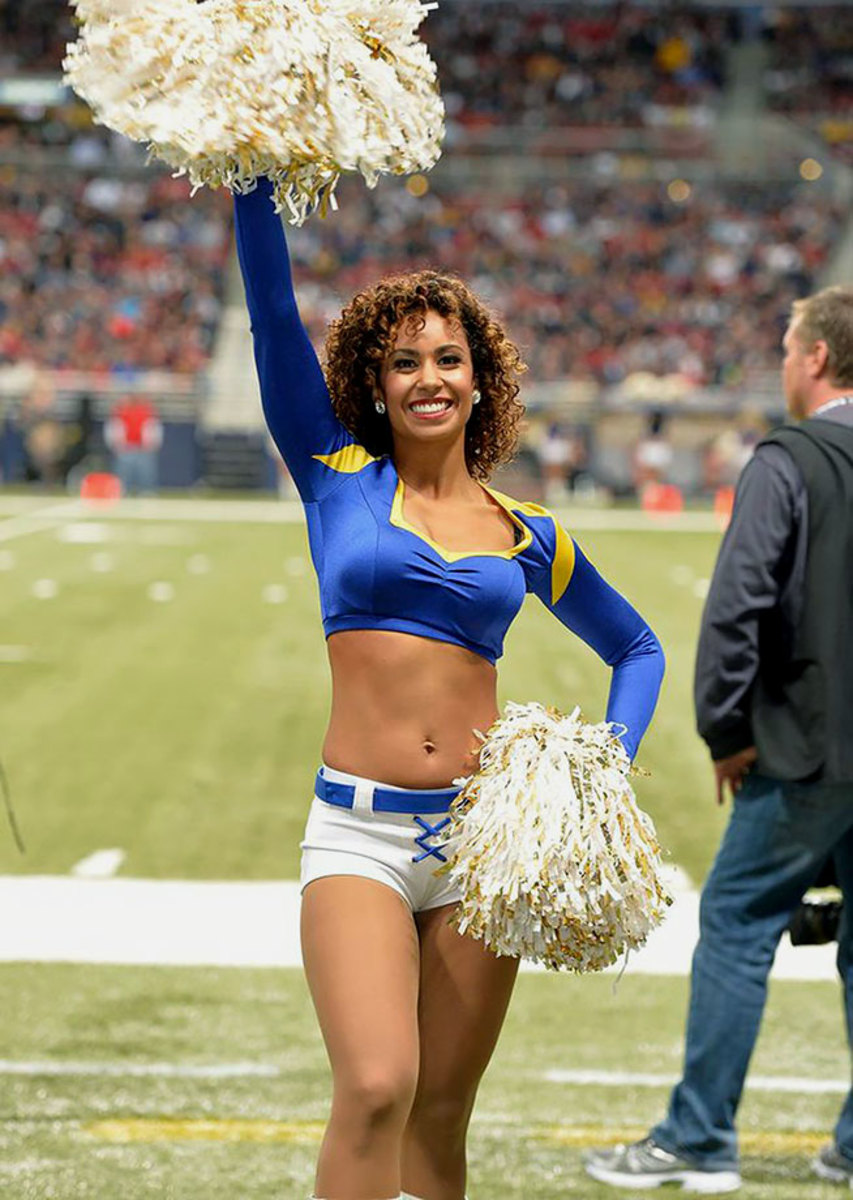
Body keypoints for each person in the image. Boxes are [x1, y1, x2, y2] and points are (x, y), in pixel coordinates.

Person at [234, 177, 665, 1200]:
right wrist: (250, 176)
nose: (428, 377)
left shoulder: (527, 532)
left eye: (448, 358)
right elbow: (266, 311)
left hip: (483, 846)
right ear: (372, 383)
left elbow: (636, 648)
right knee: (379, 1083)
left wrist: (604, 770)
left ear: (479, 381)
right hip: (359, 834)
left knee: (439, 1111)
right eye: (403, 362)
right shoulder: (333, 473)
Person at [584, 285, 853, 1194]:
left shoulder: (786, 459)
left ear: (815, 357)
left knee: (737, 925)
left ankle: (699, 1138)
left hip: (805, 749)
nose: (782, 363)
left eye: (786, 348)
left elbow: (738, 605)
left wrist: (725, 729)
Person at [104, 394, 162, 494]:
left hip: (143, 448)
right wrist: (116, 444)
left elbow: (153, 428)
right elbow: (113, 428)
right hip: (125, 447)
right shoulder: (119, 413)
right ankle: (121, 490)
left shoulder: (147, 412)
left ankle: (147, 491)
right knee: (123, 473)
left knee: (146, 473)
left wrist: (152, 444)